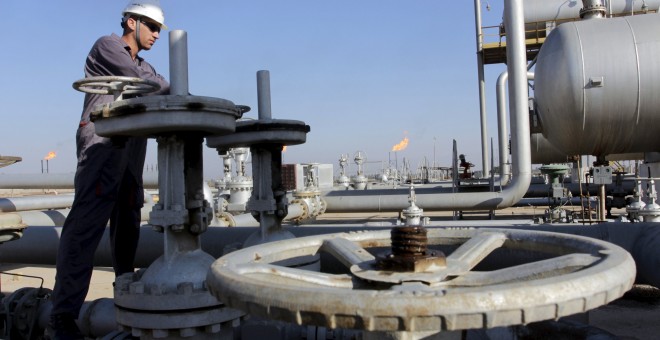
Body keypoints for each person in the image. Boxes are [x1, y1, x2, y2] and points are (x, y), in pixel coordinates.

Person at [50, 1, 170, 338]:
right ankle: (62, 316)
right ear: (131, 22)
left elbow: (165, 86)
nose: (157, 34)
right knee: (87, 222)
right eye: (151, 26)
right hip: (103, 138)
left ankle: (125, 290)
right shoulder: (108, 46)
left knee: (129, 215)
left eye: (159, 29)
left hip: (131, 142)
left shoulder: (143, 64)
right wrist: (159, 86)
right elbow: (147, 84)